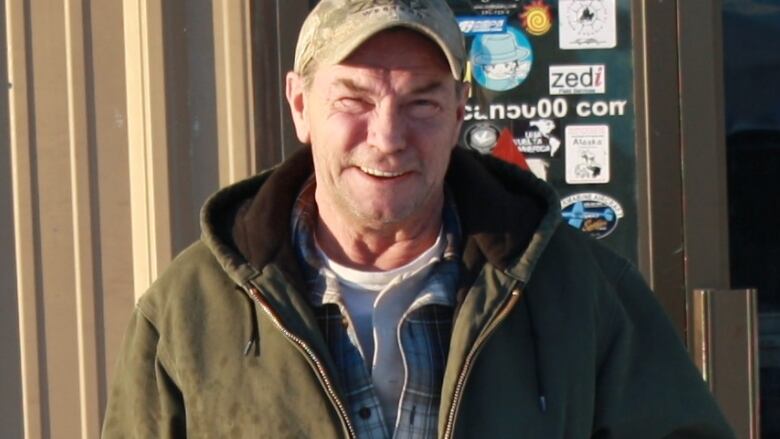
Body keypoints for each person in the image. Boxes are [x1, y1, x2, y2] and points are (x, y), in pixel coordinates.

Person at [102, 1, 734, 438]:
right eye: (353, 99)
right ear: (300, 104)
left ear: (461, 110)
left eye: (422, 102)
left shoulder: (577, 290)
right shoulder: (191, 311)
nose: (388, 137)